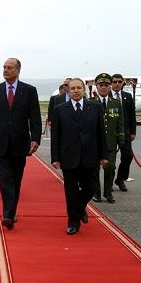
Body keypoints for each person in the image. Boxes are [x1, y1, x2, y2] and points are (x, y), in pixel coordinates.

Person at [0, 58, 42, 229]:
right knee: (5, 178)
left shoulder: (29, 91)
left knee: (16, 179)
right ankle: (8, 215)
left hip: (20, 142)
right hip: (0, 142)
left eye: (9, 68)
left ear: (18, 70)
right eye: (4, 67)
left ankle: (11, 211)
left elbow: (35, 118)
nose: (6, 70)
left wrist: (35, 138)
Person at [51, 78, 108, 235]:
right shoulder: (60, 109)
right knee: (71, 190)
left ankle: (79, 207)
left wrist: (103, 155)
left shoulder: (95, 108)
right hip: (69, 156)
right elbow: (56, 136)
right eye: (72, 88)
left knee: (91, 187)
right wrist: (55, 157)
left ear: (84, 90)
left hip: (91, 156)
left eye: (79, 88)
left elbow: (101, 133)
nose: (76, 91)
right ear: (68, 91)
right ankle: (73, 221)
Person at [89, 73, 124, 204]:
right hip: (94, 142)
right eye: (101, 85)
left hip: (110, 142)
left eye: (106, 85)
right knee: (94, 169)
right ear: (96, 87)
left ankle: (108, 192)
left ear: (110, 87)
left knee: (110, 168)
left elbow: (120, 121)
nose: (103, 88)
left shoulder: (116, 103)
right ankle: (97, 193)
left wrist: (121, 138)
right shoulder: (90, 102)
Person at [111, 74, 137, 192]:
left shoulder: (127, 96)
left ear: (122, 83)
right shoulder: (107, 96)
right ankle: (108, 181)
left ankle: (120, 178)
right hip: (110, 132)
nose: (117, 84)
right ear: (111, 83)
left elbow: (132, 115)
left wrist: (133, 132)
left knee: (128, 156)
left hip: (125, 132)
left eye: (119, 82)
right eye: (115, 82)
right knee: (109, 159)